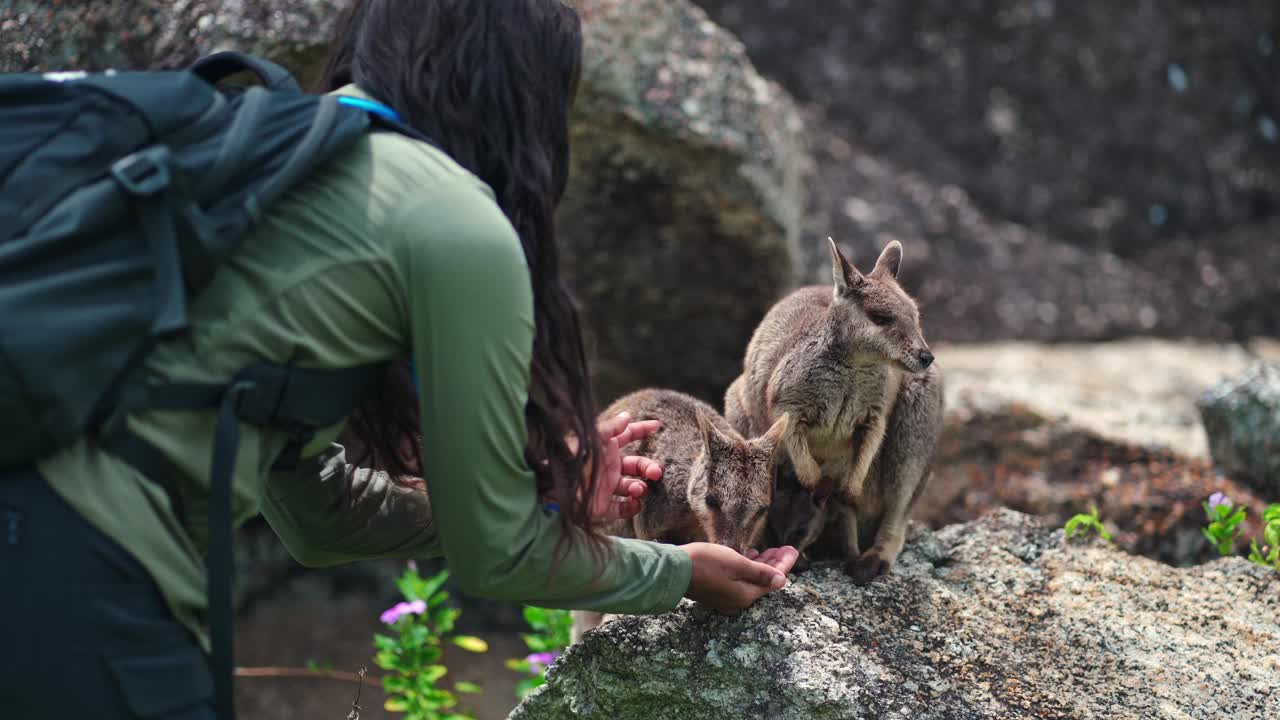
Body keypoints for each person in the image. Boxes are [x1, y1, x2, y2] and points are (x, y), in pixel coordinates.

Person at [0, 1, 798, 718]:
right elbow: (501, 554)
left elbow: (316, 517)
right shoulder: (451, 221)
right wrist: (679, 572)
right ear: (518, 97)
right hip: (77, 564)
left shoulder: (265, 162)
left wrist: (536, 500)